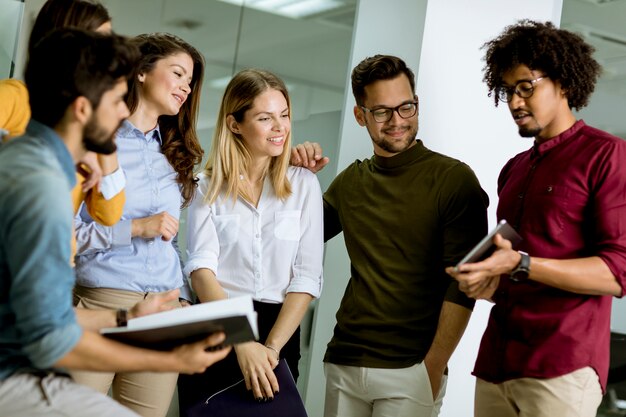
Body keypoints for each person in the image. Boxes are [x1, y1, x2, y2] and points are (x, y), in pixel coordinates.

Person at [0, 28, 229, 417]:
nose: (123, 109)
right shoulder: (45, 179)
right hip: (27, 364)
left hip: (156, 305)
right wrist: (174, 361)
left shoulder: (36, 164)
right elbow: (50, 337)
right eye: (115, 100)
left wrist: (142, 314)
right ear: (83, 109)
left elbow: (50, 318)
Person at [446, 20, 626, 417]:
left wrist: (521, 263)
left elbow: (617, 273)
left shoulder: (607, 155)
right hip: (497, 364)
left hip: (562, 366)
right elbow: (513, 277)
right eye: (508, 90)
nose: (514, 101)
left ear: (563, 82)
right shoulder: (513, 169)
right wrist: (488, 283)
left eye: (526, 87)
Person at [297, 54, 488, 417]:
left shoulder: (454, 179)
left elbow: (463, 286)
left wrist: (433, 367)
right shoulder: (350, 182)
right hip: (345, 361)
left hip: (411, 368)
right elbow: (293, 240)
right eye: (382, 111)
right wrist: (294, 178)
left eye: (406, 107)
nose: (397, 121)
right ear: (360, 115)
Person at [72, 32, 206, 416]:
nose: (185, 87)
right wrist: (134, 228)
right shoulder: (96, 141)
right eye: (178, 73)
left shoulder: (174, 154)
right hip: (102, 302)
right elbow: (64, 235)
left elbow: (171, 239)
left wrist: (181, 295)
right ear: (142, 72)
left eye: (190, 81)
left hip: (162, 311)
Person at [177, 68, 323, 414]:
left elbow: (306, 276)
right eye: (265, 118)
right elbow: (201, 270)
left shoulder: (303, 185)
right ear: (234, 124)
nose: (280, 128)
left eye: (284, 115)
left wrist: (270, 349)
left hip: (280, 330)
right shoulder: (204, 187)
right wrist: (243, 343)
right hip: (217, 323)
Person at [0, 0, 125, 255]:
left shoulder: (88, 123)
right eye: (99, 42)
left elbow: (109, 214)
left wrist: (105, 145)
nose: (107, 53)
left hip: (56, 260)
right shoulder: (14, 95)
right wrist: (58, 150)